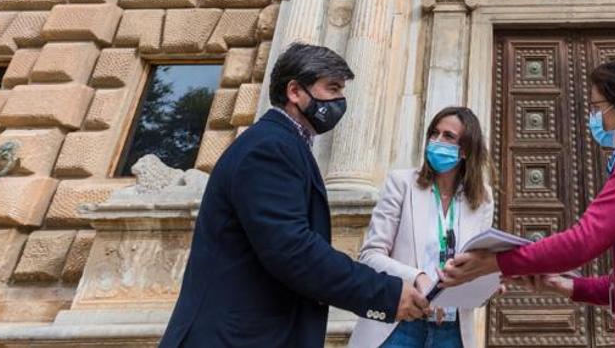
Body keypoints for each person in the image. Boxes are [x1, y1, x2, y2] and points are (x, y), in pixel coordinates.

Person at [440, 58, 615, 348]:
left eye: (596, 107)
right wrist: (563, 285)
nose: (593, 118)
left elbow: (584, 241)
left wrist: (494, 262)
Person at [160, 42, 430, 348]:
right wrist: (386, 293)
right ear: (294, 92)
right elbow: (292, 249)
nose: (340, 101)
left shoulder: (283, 144)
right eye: (332, 88)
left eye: (341, 90)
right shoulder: (270, 148)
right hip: (234, 337)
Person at [349, 106, 494, 348]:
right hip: (398, 325)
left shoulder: (482, 199)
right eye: (434, 133)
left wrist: (487, 284)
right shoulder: (401, 183)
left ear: (466, 150)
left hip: (452, 332)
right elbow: (370, 256)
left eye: (448, 136)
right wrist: (418, 276)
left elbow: (474, 268)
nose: (437, 141)